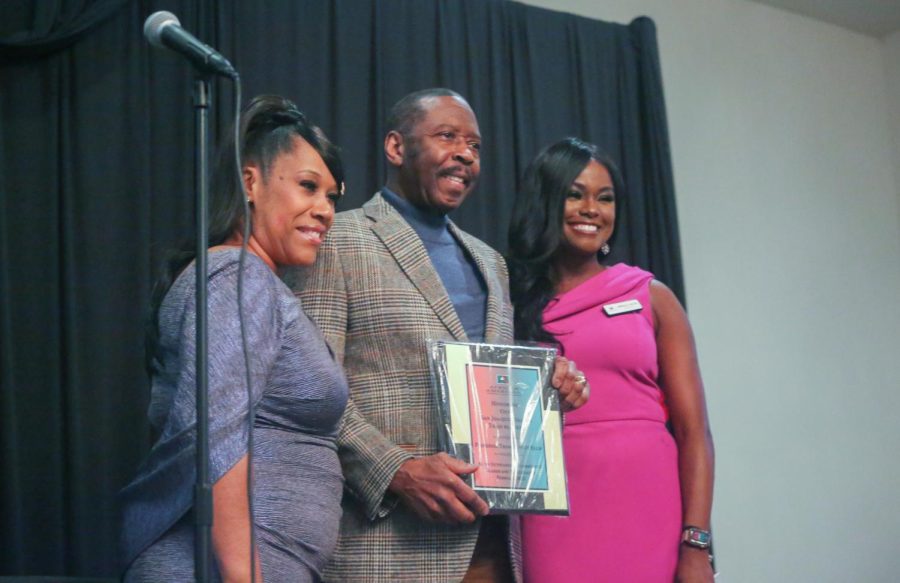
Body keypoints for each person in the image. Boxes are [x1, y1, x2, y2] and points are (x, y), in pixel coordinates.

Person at [286, 89, 588, 582]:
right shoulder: (337, 240)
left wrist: (547, 386)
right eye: (447, 136)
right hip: (388, 548)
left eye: (475, 145)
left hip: (493, 546)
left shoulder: (491, 262)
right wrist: (396, 470)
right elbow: (309, 391)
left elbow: (494, 389)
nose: (465, 153)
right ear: (396, 147)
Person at [119, 95, 349, 582]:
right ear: (251, 182)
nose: (324, 210)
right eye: (308, 187)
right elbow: (216, 438)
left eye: (332, 197)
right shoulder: (233, 274)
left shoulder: (251, 281)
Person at [508, 138, 715, 583]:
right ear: (546, 200)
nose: (591, 209)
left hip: (648, 507)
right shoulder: (509, 305)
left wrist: (696, 544)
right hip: (553, 514)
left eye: (605, 198)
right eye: (575, 194)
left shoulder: (651, 296)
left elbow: (694, 431)